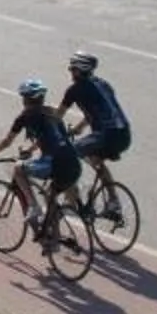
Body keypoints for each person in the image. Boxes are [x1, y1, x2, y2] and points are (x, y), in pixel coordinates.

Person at [0, 78, 83, 241]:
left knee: (18, 169)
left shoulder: (24, 117)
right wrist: (30, 150)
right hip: (73, 162)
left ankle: (33, 206)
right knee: (52, 197)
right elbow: (52, 136)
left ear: (25, 99)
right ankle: (55, 240)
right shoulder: (53, 113)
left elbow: (7, 142)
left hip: (54, 163)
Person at [57, 50, 130, 215]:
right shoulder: (104, 84)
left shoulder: (74, 90)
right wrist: (80, 127)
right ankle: (113, 202)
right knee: (95, 158)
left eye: (72, 68)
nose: (69, 71)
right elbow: (101, 111)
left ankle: (71, 200)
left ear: (79, 69)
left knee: (67, 154)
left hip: (106, 135)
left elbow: (57, 117)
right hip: (124, 134)